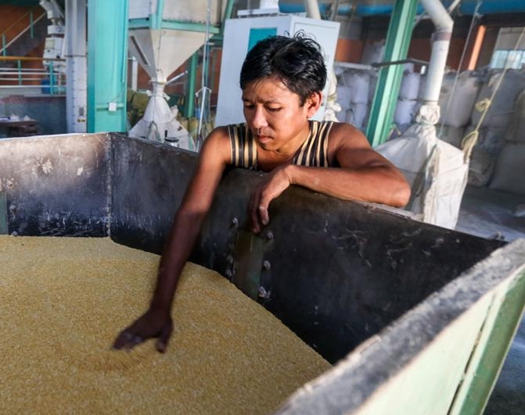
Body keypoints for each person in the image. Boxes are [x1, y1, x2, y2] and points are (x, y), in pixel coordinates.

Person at [112, 34, 411, 353]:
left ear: (311, 103)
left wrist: (293, 173)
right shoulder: (225, 143)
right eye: (249, 105)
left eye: (273, 108)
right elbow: (190, 216)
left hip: (315, 299)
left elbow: (396, 189)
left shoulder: (336, 141)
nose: (257, 121)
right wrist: (160, 306)